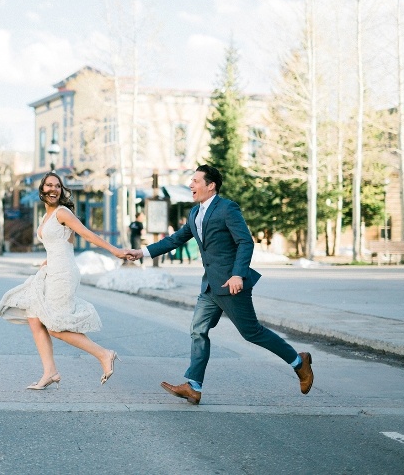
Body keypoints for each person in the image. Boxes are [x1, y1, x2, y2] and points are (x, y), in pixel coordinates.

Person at [127, 164, 314, 405]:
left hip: (230, 284)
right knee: (198, 330)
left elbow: (245, 242)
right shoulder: (195, 213)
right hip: (209, 287)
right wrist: (142, 252)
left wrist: (238, 275)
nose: (191, 185)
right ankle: (193, 386)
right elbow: (176, 239)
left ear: (210, 185)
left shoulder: (227, 208)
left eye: (195, 181)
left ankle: (299, 362)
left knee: (252, 332)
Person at [0, 171, 130, 390]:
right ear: (42, 190)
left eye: (57, 186)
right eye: (49, 186)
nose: (53, 189)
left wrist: (114, 250)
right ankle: (50, 371)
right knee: (34, 317)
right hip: (51, 270)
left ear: (61, 190)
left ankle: (104, 354)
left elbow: (87, 234)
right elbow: (59, 245)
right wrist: (44, 264)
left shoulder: (63, 213)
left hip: (64, 273)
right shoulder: (46, 216)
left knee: (55, 326)